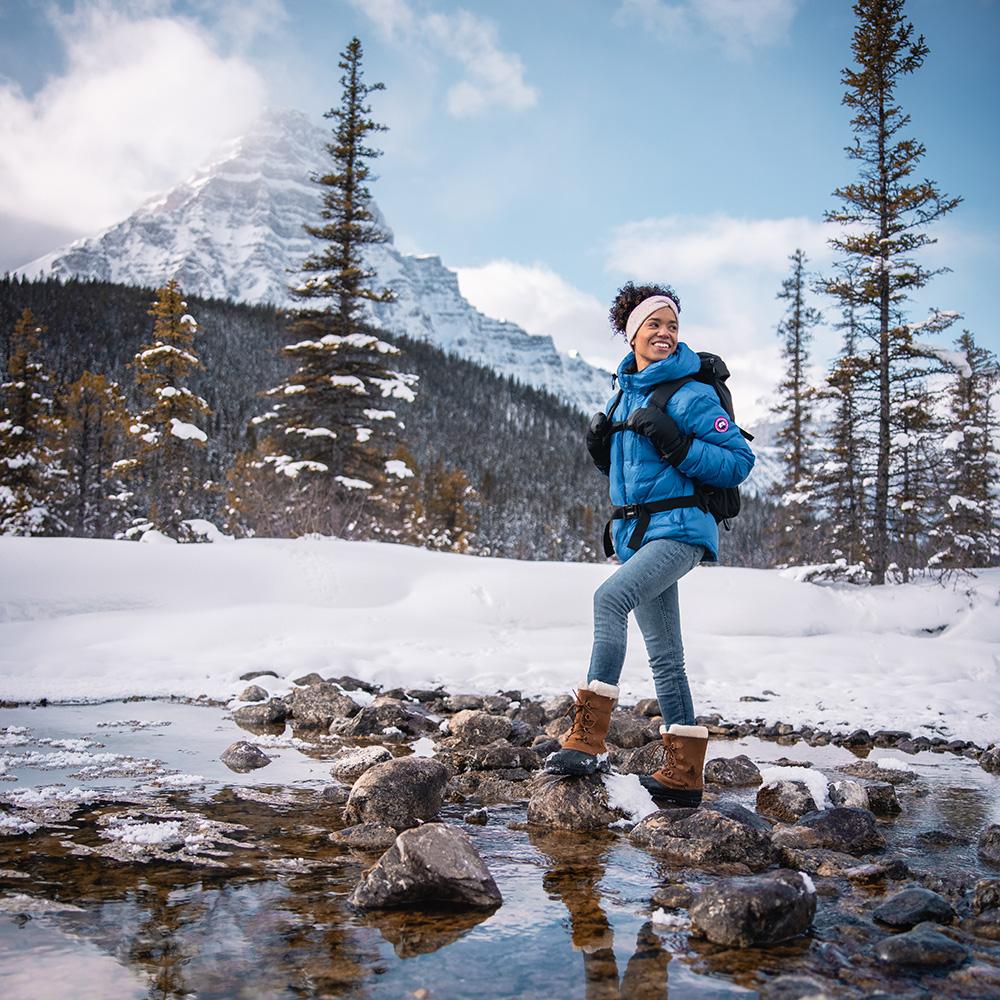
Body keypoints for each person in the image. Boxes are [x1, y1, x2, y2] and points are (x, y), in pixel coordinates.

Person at [544, 282, 755, 807]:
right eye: (654, 325)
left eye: (672, 326)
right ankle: (683, 774)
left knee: (608, 600)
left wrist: (678, 442)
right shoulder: (623, 394)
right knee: (666, 655)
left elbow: (738, 462)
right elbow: (637, 476)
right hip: (640, 534)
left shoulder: (691, 393)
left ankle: (588, 739)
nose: (664, 334)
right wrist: (601, 453)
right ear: (632, 332)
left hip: (681, 530)